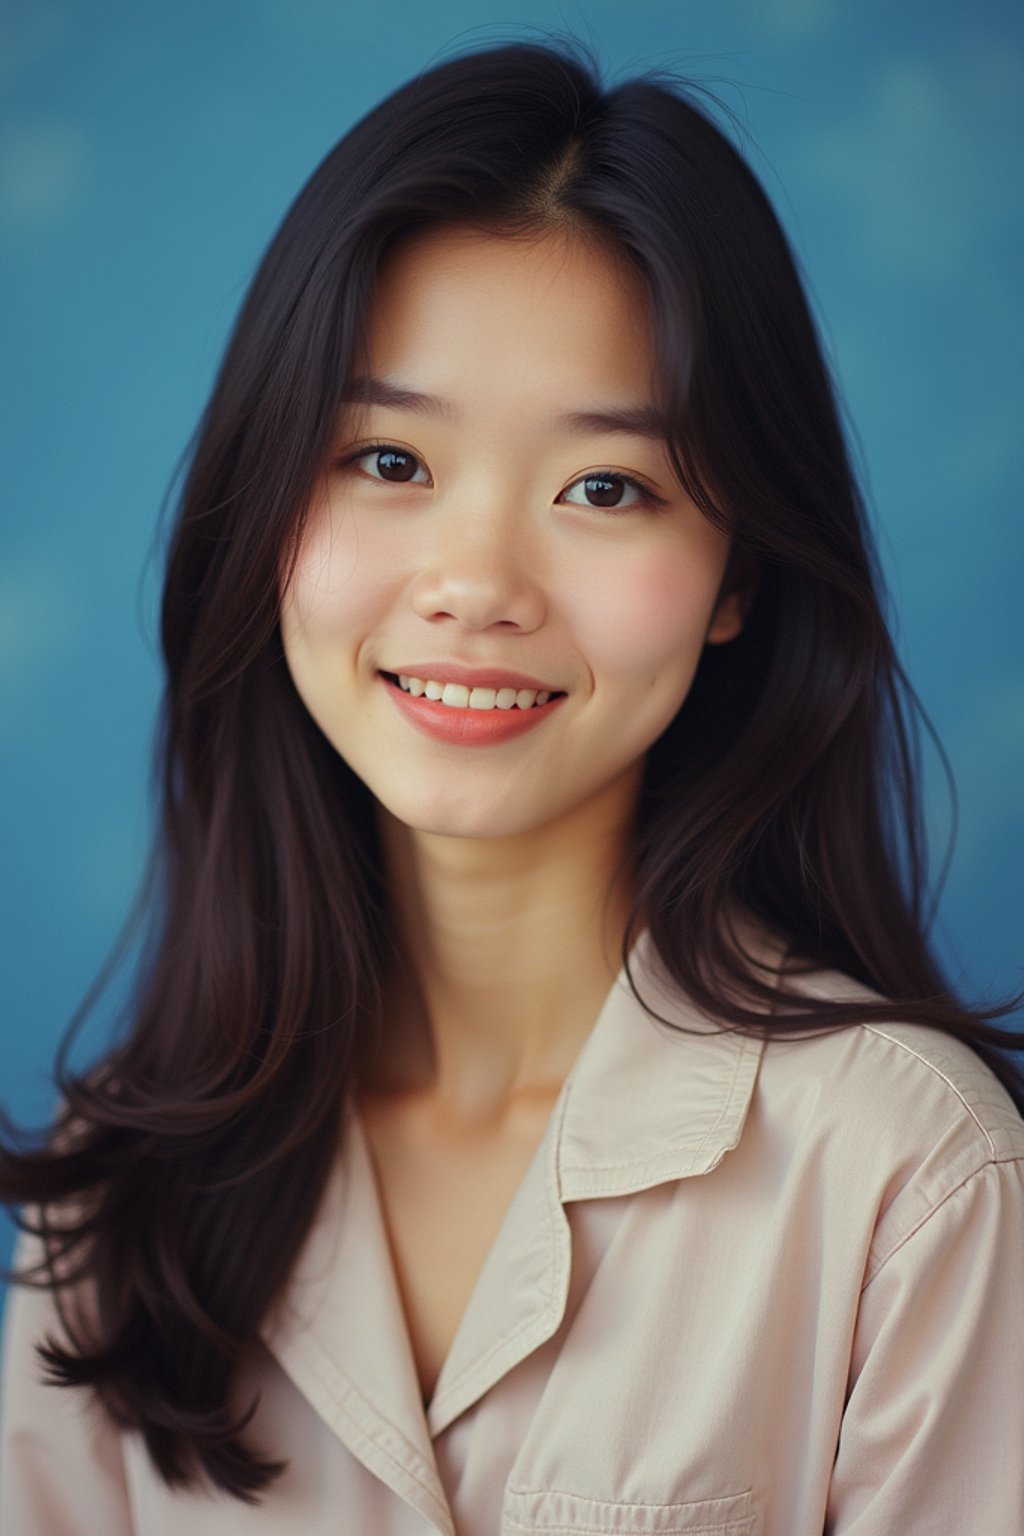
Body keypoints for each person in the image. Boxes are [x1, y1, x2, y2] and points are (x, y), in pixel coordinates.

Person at [1, 39, 1022, 1536]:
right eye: (386, 459)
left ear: (736, 573)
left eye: (606, 488)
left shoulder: (911, 1182)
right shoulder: (120, 1211)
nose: (476, 585)